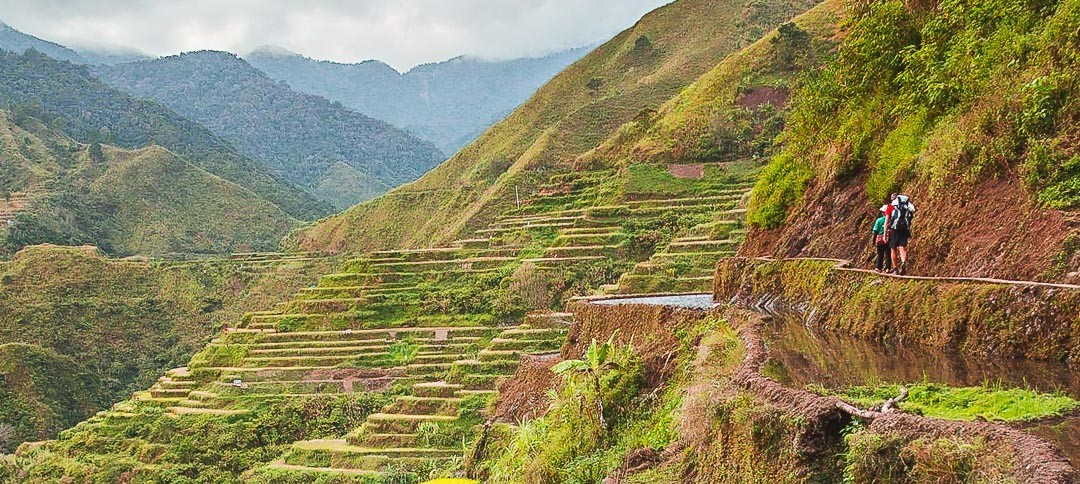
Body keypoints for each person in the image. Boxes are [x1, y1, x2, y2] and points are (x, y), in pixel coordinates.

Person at [888, 194, 916, 274]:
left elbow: (887, 219)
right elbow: (913, 212)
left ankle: (895, 268)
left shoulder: (892, 206)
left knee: (893, 249)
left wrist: (885, 232)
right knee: (902, 248)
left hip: (894, 229)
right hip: (904, 229)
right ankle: (903, 262)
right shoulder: (908, 204)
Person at [872, 205, 891, 272]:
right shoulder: (891, 220)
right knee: (888, 254)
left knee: (880, 254)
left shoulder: (879, 220)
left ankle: (879, 268)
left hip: (880, 239)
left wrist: (873, 240)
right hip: (889, 239)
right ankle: (888, 268)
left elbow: (875, 231)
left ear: (883, 212)